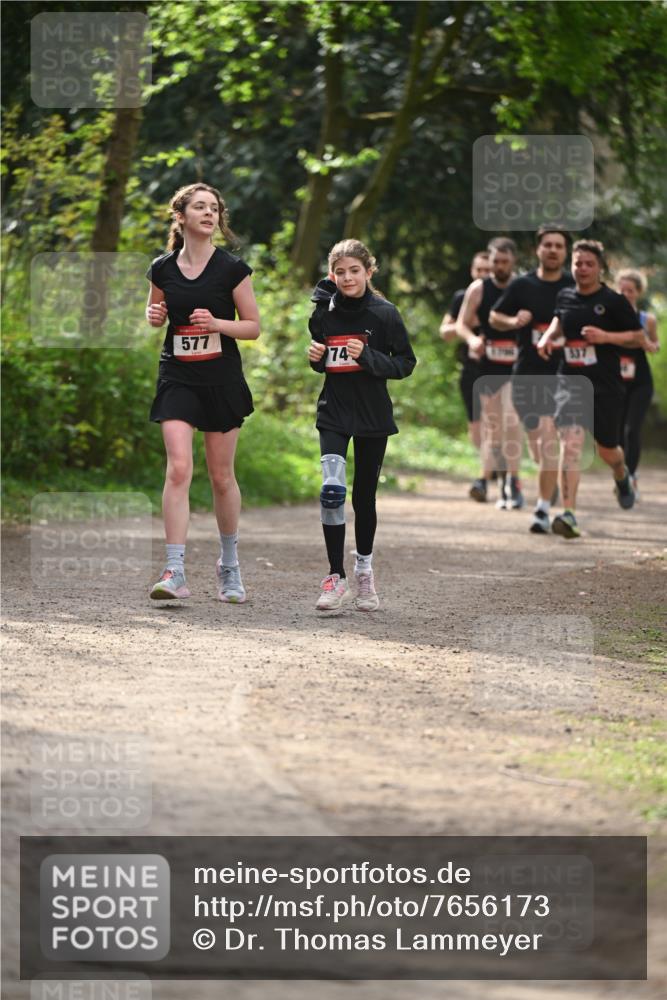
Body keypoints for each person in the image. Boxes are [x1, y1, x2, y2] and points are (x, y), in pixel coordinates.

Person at [146, 183, 260, 602]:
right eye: (200, 207)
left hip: (221, 378)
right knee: (178, 467)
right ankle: (174, 570)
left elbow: (252, 326)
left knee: (220, 475)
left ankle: (229, 564)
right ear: (181, 216)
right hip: (177, 374)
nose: (209, 213)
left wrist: (218, 324)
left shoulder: (232, 269)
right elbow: (156, 313)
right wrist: (154, 314)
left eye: (214, 208)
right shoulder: (162, 268)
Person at [307, 239, 416, 612]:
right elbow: (324, 357)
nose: (347, 277)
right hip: (333, 411)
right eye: (340, 272)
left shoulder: (385, 314)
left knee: (363, 496)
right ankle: (335, 577)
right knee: (332, 490)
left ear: (369, 272)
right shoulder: (324, 311)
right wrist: (317, 358)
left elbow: (404, 364)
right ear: (331, 274)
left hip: (372, 414)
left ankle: (364, 571)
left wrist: (368, 356)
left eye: (355, 270)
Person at [537, 240, 647, 538]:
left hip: (605, 385)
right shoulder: (565, 294)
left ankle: (621, 475)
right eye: (578, 263)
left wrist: (605, 336)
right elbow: (560, 319)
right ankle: (569, 514)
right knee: (570, 443)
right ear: (571, 266)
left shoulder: (613, 301)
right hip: (569, 380)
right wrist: (548, 336)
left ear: (600, 268)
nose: (582, 269)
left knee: (607, 449)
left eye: (589, 264)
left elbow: (638, 338)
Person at [490, 225, 574, 533]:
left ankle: (541, 510)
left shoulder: (574, 287)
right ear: (538, 250)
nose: (553, 250)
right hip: (526, 373)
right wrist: (514, 320)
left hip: (563, 375)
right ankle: (546, 485)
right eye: (547, 245)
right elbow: (494, 317)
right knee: (538, 442)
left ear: (565, 252)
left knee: (550, 437)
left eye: (559, 246)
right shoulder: (523, 285)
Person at [456, 237, 524, 508]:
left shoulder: (524, 287)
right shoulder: (478, 289)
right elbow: (462, 325)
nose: (499, 266)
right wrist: (472, 340)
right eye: (495, 261)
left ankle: (513, 481)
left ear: (513, 261)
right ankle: (484, 479)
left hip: (518, 367)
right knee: (492, 426)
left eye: (505, 262)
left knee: (511, 421)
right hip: (488, 366)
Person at [439, 251, 491, 457]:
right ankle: (487, 462)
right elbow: (445, 332)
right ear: (472, 271)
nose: (483, 274)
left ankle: (498, 466)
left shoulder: (506, 295)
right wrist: (466, 325)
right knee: (475, 422)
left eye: (487, 270)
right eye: (479, 270)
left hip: (501, 367)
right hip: (471, 366)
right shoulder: (462, 298)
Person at [616, 269, 660, 498]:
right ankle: (621, 474)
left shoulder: (647, 319)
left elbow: (656, 345)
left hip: (640, 381)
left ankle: (631, 476)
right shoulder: (609, 318)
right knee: (616, 434)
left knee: (632, 429)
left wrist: (648, 343)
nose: (625, 294)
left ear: (638, 293)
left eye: (630, 291)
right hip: (616, 381)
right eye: (621, 290)